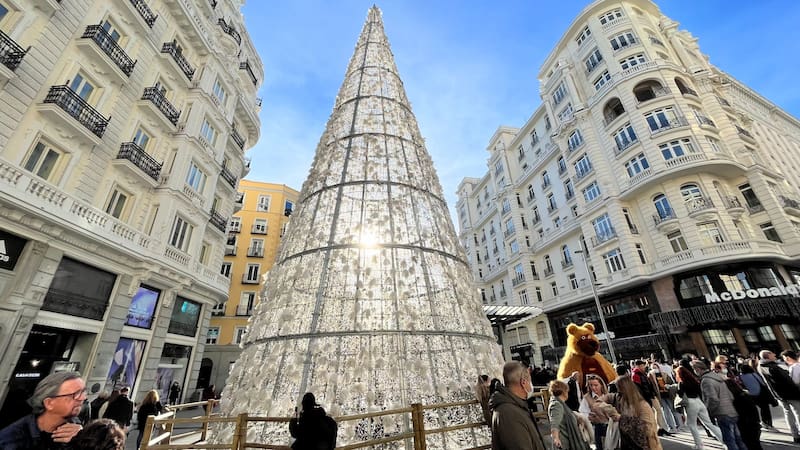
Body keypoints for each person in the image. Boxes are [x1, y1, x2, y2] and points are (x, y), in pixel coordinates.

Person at [0, 371, 86, 449]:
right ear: (49, 403)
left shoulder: (76, 424)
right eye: (75, 394)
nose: (83, 398)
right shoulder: (11, 440)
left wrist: (83, 437)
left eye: (83, 392)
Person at [488, 361, 546, 450]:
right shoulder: (508, 413)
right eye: (530, 380)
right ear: (523, 382)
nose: (531, 384)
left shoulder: (516, 406)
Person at [698, 361, 746, 450]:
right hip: (731, 411)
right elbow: (730, 396)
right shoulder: (717, 378)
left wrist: (709, 411)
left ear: (698, 369)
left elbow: (712, 399)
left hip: (721, 413)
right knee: (738, 439)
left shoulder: (706, 381)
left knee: (730, 441)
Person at [603, 375, 660, 450]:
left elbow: (647, 428)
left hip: (643, 445)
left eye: (619, 389)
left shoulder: (642, 405)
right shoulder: (621, 401)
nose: (618, 393)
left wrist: (622, 419)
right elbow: (607, 398)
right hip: (626, 442)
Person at [676, 359, 722, 450]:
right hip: (699, 401)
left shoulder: (681, 383)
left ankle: (699, 445)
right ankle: (723, 439)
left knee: (692, 425)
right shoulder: (694, 380)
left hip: (690, 403)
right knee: (709, 423)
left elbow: (680, 394)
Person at [758, 349, 800, 443]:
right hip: (790, 393)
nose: (774, 354)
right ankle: (796, 434)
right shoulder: (771, 367)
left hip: (779, 395)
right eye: (772, 353)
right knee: (797, 412)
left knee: (788, 413)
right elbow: (786, 380)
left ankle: (795, 434)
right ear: (768, 356)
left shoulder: (762, 366)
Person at [548, 380, 590, 450]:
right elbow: (554, 423)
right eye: (567, 391)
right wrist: (556, 438)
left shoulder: (560, 403)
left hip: (567, 440)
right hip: (565, 442)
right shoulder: (556, 405)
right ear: (563, 392)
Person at [578, 374, 616, 450]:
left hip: (611, 427)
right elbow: (583, 414)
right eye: (591, 385)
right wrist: (590, 417)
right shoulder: (587, 398)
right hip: (597, 428)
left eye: (596, 385)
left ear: (601, 385)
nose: (593, 387)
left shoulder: (608, 396)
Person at [739, 363, 777, 431]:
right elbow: (763, 384)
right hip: (761, 394)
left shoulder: (740, 377)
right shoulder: (755, 374)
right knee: (765, 408)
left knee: (753, 410)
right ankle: (767, 423)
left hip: (749, 395)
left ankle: (756, 424)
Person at [648, 360, 681, 433]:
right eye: (653, 367)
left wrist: (668, 387)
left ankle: (678, 425)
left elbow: (671, 382)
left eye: (656, 367)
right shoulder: (650, 376)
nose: (655, 368)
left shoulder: (664, 374)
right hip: (660, 396)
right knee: (666, 411)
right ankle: (670, 426)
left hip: (668, 394)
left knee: (673, 409)